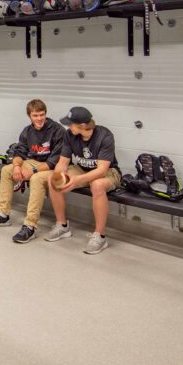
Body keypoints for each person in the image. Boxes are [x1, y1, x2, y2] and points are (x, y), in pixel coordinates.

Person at [0, 99, 67, 244]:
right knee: (7, 170)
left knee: (36, 179)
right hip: (33, 162)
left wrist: (33, 170)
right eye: (35, 115)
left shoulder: (58, 130)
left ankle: (30, 225)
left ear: (45, 114)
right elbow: (19, 152)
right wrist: (16, 166)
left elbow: (54, 161)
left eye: (41, 115)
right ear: (30, 116)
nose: (39, 119)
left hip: (53, 167)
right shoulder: (27, 131)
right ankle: (3, 215)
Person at [47, 106, 122, 254]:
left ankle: (100, 236)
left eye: (70, 123)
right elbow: (62, 163)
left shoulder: (105, 135)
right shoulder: (69, 135)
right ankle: (62, 226)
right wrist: (59, 177)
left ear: (82, 125)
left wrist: (75, 180)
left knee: (97, 185)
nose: (68, 126)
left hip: (108, 172)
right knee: (52, 180)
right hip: (81, 169)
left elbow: (102, 170)